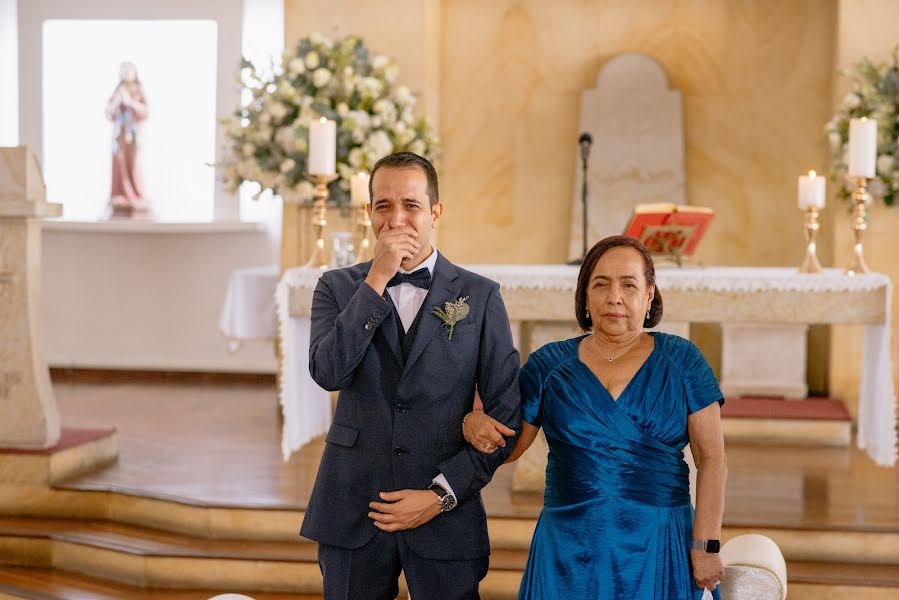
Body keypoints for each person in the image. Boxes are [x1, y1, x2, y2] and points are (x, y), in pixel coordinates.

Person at [300, 152, 522, 600]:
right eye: (383, 206)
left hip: (445, 514)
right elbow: (328, 372)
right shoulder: (336, 288)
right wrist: (377, 279)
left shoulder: (478, 297)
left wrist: (441, 495)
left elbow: (506, 418)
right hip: (353, 506)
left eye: (411, 205)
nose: (396, 219)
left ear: (436, 212)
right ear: (369, 213)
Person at [464, 235, 727, 599]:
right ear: (585, 295)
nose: (614, 297)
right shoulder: (548, 365)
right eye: (600, 284)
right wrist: (472, 423)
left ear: (650, 294)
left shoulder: (682, 360)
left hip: (658, 541)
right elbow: (507, 448)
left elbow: (712, 459)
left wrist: (706, 544)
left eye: (629, 285)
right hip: (570, 545)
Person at [105, 61, 149, 216]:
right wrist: (119, 101)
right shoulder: (118, 91)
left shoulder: (138, 91)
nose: (126, 73)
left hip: (134, 136)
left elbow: (145, 112)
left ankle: (135, 195)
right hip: (120, 137)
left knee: (134, 165)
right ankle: (120, 195)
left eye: (129, 70)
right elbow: (109, 112)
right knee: (119, 164)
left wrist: (130, 102)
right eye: (123, 70)